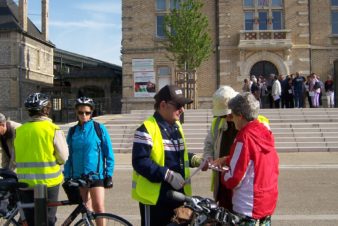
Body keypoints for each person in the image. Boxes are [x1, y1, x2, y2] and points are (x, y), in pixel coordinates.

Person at [131, 85, 201, 226]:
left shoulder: (177, 126)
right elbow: (140, 161)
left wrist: (195, 160)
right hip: (155, 200)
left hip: (178, 196)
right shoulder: (146, 128)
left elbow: (178, 154)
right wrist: (168, 175)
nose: (182, 110)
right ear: (163, 105)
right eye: (178, 105)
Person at [218, 92, 279, 225]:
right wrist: (229, 159)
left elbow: (234, 178)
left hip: (248, 206)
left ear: (240, 116)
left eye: (233, 116)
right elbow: (255, 160)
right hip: (266, 201)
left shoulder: (244, 137)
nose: (232, 120)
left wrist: (223, 172)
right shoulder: (265, 131)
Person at [14, 93, 69, 226]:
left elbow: (15, 157)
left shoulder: (20, 130)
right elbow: (63, 157)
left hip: (25, 183)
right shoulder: (53, 129)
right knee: (47, 220)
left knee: (31, 221)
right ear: (46, 110)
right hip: (48, 182)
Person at [64, 96, 114, 226]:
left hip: (96, 175)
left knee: (99, 208)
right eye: (81, 112)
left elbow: (109, 153)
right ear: (76, 112)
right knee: (85, 209)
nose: (84, 115)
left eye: (87, 112)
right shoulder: (73, 131)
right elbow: (68, 155)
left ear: (92, 113)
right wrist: (67, 175)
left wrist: (109, 175)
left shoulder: (99, 128)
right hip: (78, 176)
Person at [202, 86, 238, 211]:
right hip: (222, 183)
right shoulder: (217, 122)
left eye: (228, 114)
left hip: (241, 185)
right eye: (223, 115)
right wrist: (208, 157)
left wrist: (225, 159)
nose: (226, 118)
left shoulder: (253, 121)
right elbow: (209, 144)